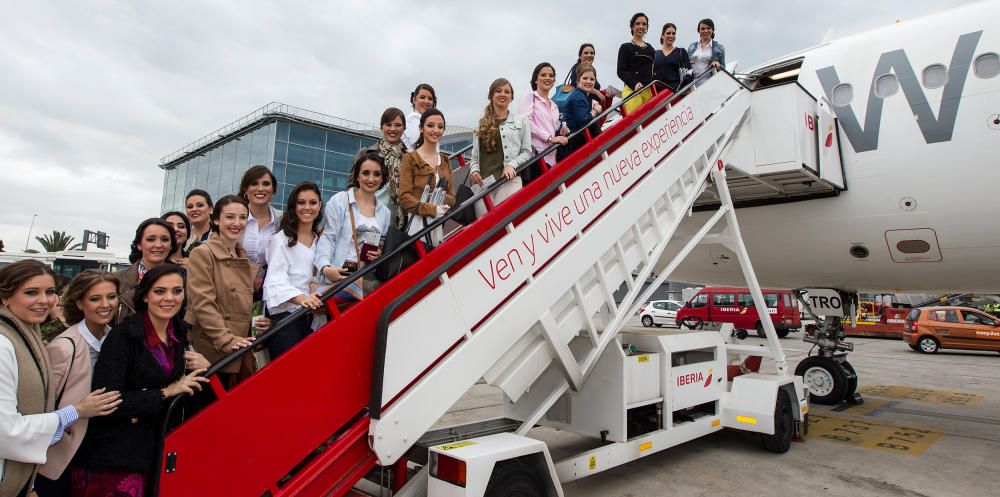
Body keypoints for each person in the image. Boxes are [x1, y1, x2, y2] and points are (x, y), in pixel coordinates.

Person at [73, 264, 210, 497]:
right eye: (160, 291)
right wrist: (164, 393)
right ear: (145, 295)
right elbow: (108, 401)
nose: (169, 298)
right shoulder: (123, 336)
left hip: (155, 449)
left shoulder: (178, 334)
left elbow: (188, 392)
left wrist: (206, 369)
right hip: (117, 457)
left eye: (177, 291)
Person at [0, 261, 120, 497]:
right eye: (31, 293)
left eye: (50, 292)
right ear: (5, 297)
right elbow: (7, 431)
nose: (44, 300)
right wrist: (77, 411)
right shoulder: (5, 344)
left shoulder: (27, 335)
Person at [34, 270, 119, 496]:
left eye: (111, 297)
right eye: (95, 298)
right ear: (80, 303)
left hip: (101, 452)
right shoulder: (64, 347)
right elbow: (40, 410)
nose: (105, 305)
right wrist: (80, 410)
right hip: (62, 458)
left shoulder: (117, 340)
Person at [185, 195, 269, 388]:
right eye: (230, 217)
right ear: (216, 219)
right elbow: (202, 302)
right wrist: (225, 339)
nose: (236, 223)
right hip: (212, 345)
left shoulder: (242, 257)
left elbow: (248, 302)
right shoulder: (202, 253)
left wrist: (261, 322)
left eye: (242, 218)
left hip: (239, 345)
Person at [316, 152, 390, 301]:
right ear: (357, 176)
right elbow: (328, 237)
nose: (371, 179)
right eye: (366, 173)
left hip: (366, 279)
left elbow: (381, 245)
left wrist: (379, 254)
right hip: (339, 274)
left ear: (382, 178)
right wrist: (325, 268)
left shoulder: (385, 213)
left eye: (376, 174)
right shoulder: (341, 201)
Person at [263, 182, 323, 359]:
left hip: (315, 316)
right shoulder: (281, 240)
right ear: (293, 206)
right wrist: (303, 299)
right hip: (287, 319)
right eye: (301, 202)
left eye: (312, 203)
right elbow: (275, 281)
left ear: (319, 205)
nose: (307, 208)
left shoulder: (321, 240)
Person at [469, 78, 533, 217]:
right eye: (498, 91)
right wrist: (474, 171)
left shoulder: (521, 121)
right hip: (483, 186)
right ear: (491, 95)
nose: (502, 94)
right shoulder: (480, 125)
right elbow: (474, 158)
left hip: (508, 181)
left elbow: (527, 151)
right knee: (484, 230)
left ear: (511, 97)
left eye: (507, 91)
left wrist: (512, 165)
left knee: (501, 222)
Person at [397, 109, 455, 245]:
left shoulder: (445, 161)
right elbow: (404, 198)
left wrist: (438, 198)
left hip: (439, 227)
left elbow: (452, 198)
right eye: (430, 125)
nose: (436, 130)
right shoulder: (410, 158)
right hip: (417, 228)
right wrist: (432, 208)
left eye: (440, 127)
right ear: (421, 128)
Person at [113, 218, 177, 324]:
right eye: (151, 239)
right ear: (139, 244)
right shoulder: (115, 280)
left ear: (171, 245)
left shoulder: (185, 279)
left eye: (165, 239)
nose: (158, 245)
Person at [354, 107, 408, 228]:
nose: (393, 129)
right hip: (366, 217)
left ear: (404, 128)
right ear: (381, 127)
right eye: (388, 124)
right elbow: (352, 187)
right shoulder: (366, 153)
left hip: (396, 222)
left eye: (398, 125)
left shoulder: (408, 159)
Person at [520, 63, 570, 170]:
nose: (548, 78)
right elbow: (526, 124)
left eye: (551, 76)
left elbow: (553, 129)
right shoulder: (530, 97)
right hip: (535, 157)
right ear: (536, 80)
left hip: (552, 158)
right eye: (543, 75)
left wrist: (562, 131)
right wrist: (550, 138)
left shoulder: (555, 106)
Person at [558, 64, 605, 161]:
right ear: (578, 80)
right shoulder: (579, 96)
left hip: (571, 142)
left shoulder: (580, 94)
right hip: (571, 145)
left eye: (592, 79)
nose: (588, 82)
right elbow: (582, 120)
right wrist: (596, 110)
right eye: (585, 78)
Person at [238, 165, 282, 267]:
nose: (260, 189)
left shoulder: (283, 220)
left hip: (270, 281)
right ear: (245, 189)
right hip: (233, 280)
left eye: (266, 184)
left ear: (273, 189)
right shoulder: (232, 218)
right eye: (254, 184)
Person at [617, 12, 656, 113]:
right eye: (638, 24)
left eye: (644, 24)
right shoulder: (625, 47)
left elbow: (654, 70)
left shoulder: (651, 48)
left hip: (648, 90)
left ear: (647, 27)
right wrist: (634, 84)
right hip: (632, 89)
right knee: (635, 122)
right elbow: (621, 71)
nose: (641, 26)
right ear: (632, 26)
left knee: (650, 122)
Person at [654, 23, 691, 92]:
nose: (671, 36)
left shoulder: (681, 52)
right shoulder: (655, 54)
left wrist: (682, 89)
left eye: (673, 33)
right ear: (662, 35)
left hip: (675, 92)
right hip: (658, 93)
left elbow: (690, 72)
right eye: (668, 33)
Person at [402, 84, 438, 150]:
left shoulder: (426, 120)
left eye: (430, 99)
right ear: (414, 100)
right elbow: (425, 147)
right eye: (422, 97)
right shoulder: (413, 118)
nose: (426, 101)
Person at [183, 189, 213, 254]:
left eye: (200, 205)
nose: (194, 209)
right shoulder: (183, 236)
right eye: (190, 207)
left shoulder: (222, 233)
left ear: (211, 208)